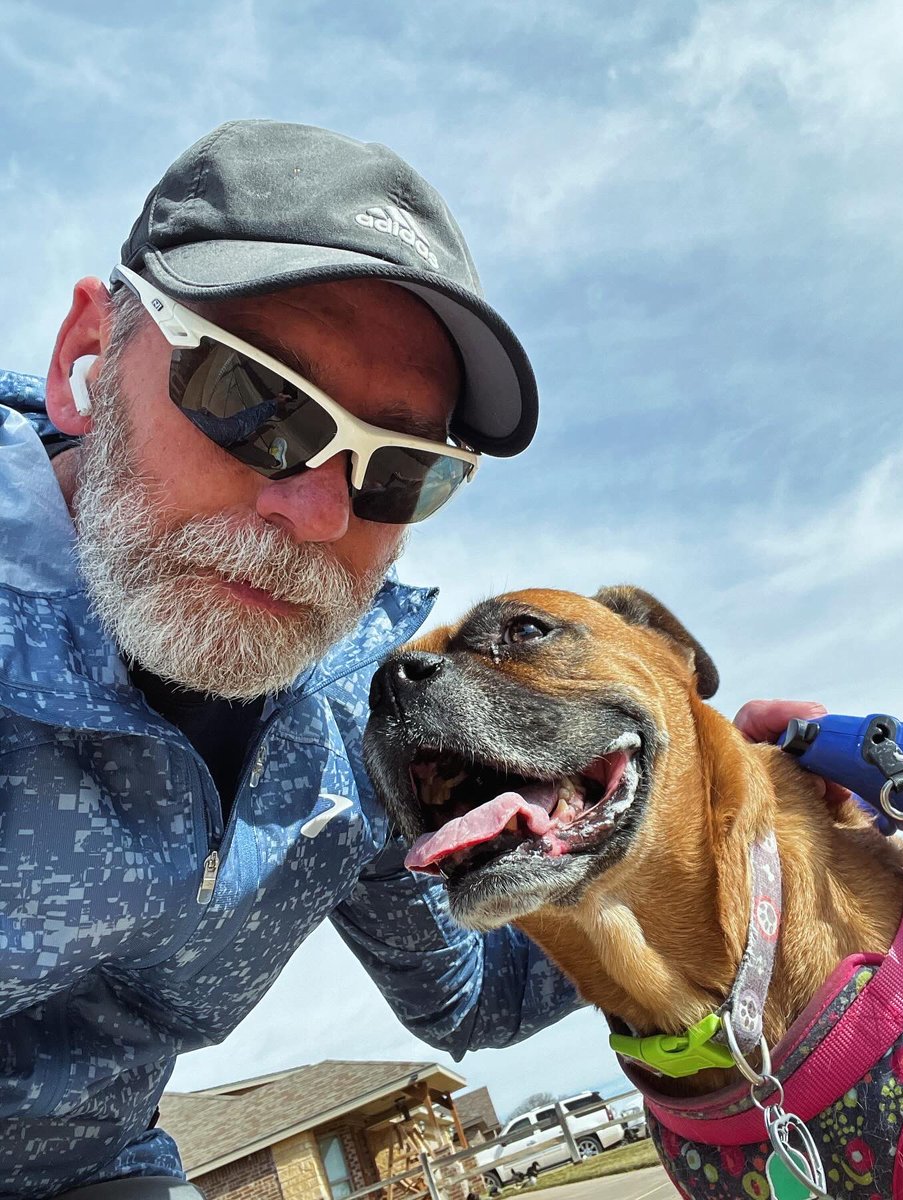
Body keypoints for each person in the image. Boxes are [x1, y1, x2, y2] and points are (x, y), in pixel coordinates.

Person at [0, 120, 580, 1200]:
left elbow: (471, 993)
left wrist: (694, 845)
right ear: (87, 362)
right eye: (250, 399)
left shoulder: (360, 730)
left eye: (398, 472)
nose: (316, 514)